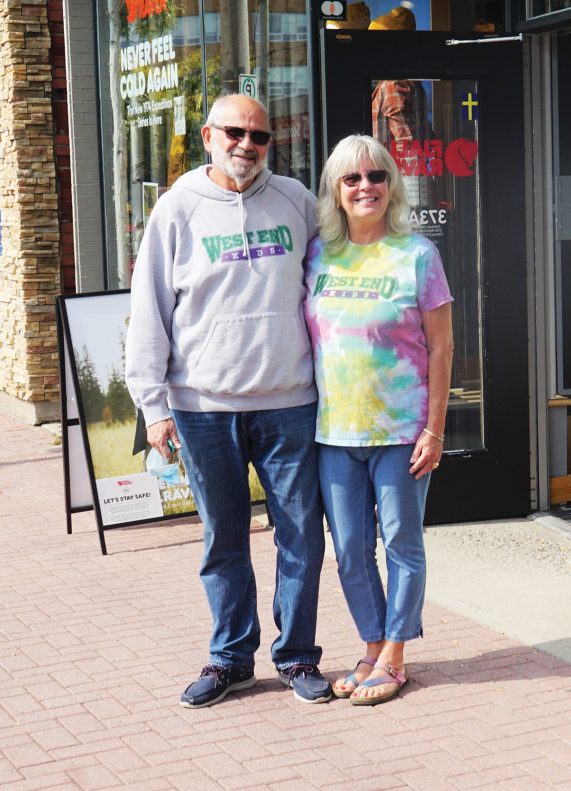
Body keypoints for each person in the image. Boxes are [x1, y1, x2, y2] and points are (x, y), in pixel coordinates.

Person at [125, 94, 331, 708]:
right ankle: (230, 659)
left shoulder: (297, 202)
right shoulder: (176, 210)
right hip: (202, 405)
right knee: (223, 537)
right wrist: (153, 404)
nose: (247, 145)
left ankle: (296, 656)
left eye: (260, 136)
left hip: (290, 401)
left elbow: (332, 282)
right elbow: (149, 310)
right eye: (236, 133)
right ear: (209, 136)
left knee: (301, 536)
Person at [305, 134, 454, 705]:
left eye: (375, 176)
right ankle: (370, 642)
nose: (364, 186)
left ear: (391, 185)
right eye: (351, 179)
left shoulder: (417, 254)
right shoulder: (318, 253)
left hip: (401, 432)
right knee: (349, 547)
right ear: (336, 192)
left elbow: (442, 349)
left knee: (402, 543)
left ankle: (395, 652)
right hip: (334, 432)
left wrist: (435, 429)